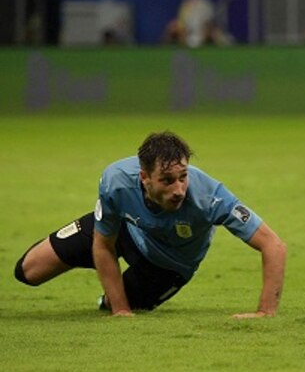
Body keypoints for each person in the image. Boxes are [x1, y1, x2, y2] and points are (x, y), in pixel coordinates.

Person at [14, 131, 287, 318]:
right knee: (28, 270)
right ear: (144, 177)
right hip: (126, 230)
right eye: (168, 180)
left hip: (168, 265)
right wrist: (122, 313)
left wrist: (265, 312)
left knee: (109, 303)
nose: (179, 189)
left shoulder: (210, 196)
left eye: (183, 176)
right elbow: (103, 243)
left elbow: (273, 245)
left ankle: (110, 299)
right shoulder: (116, 181)